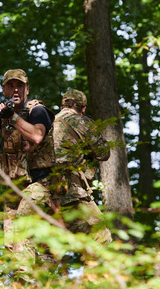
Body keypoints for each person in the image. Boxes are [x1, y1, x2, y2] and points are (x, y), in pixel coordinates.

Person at [0, 69, 56, 261]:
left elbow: (37, 136)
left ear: (27, 89)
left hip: (39, 184)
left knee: (26, 234)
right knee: (12, 243)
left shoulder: (37, 110)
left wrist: (14, 118)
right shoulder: (4, 115)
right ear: (3, 90)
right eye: (11, 86)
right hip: (14, 187)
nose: (15, 90)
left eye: (20, 86)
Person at [51, 89, 112, 244]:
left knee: (52, 244)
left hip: (47, 191)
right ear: (83, 108)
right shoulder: (81, 121)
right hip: (72, 190)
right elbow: (103, 153)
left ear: (62, 106)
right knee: (101, 238)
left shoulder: (48, 121)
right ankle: (94, 269)